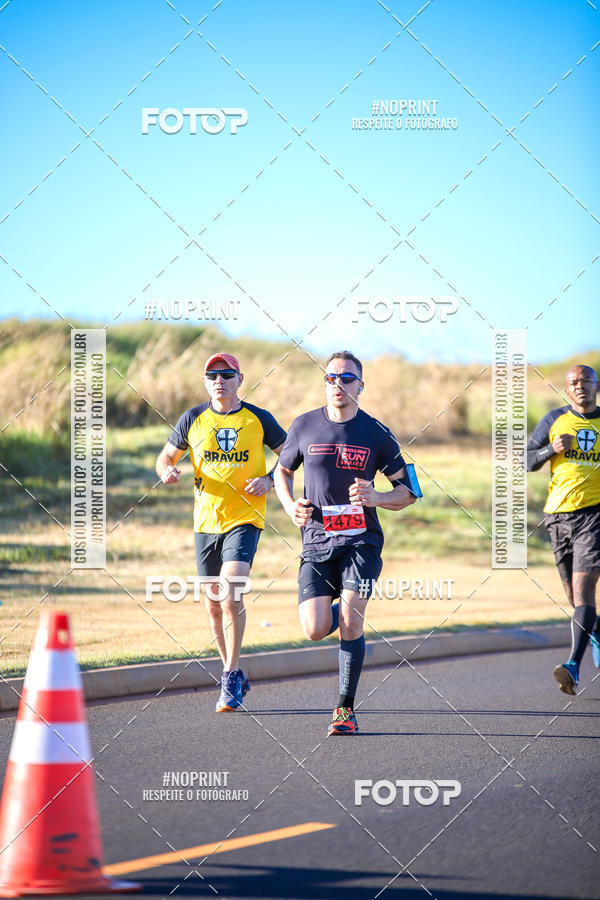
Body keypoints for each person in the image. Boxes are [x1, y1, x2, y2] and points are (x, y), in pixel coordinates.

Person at [274, 351, 417, 735]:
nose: (337, 384)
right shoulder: (304, 425)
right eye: (330, 377)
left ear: (360, 386)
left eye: (346, 378)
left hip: (361, 542)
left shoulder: (376, 433)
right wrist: (291, 506)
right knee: (316, 628)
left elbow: (409, 492)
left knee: (350, 620)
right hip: (317, 539)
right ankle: (342, 597)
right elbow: (282, 471)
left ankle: (344, 709)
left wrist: (377, 498)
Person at [155, 352, 286, 711]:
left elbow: (292, 455)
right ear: (205, 381)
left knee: (231, 594)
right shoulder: (193, 418)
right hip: (205, 523)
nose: (219, 380)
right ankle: (234, 675)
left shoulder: (257, 418)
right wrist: (165, 471)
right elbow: (165, 457)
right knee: (213, 605)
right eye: (212, 375)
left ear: (240, 378)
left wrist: (270, 479)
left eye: (227, 374)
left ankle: (229, 675)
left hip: (245, 519)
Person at [527, 364, 600, 694]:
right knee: (574, 598)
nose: (580, 385)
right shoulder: (554, 420)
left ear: (596, 384)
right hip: (558, 516)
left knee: (584, 591)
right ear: (567, 390)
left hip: (594, 517)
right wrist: (550, 450)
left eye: (586, 380)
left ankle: (572, 665)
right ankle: (596, 634)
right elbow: (526, 460)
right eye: (573, 382)